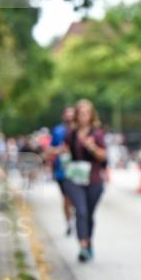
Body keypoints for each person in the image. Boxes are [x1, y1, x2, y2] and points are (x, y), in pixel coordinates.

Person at [66, 99, 107, 262]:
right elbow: (64, 151)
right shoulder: (71, 134)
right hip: (75, 178)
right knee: (81, 211)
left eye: (86, 113)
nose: (83, 116)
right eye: (80, 113)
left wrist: (92, 147)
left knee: (89, 214)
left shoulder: (97, 134)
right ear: (76, 115)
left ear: (91, 115)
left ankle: (89, 242)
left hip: (94, 179)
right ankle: (82, 246)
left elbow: (104, 156)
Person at [48, 107, 76, 236]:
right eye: (67, 114)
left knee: (76, 198)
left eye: (72, 114)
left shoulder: (79, 129)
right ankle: (69, 222)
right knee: (66, 198)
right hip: (62, 170)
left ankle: (77, 216)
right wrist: (60, 150)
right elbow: (50, 150)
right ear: (63, 116)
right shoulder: (58, 131)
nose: (69, 117)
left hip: (78, 170)